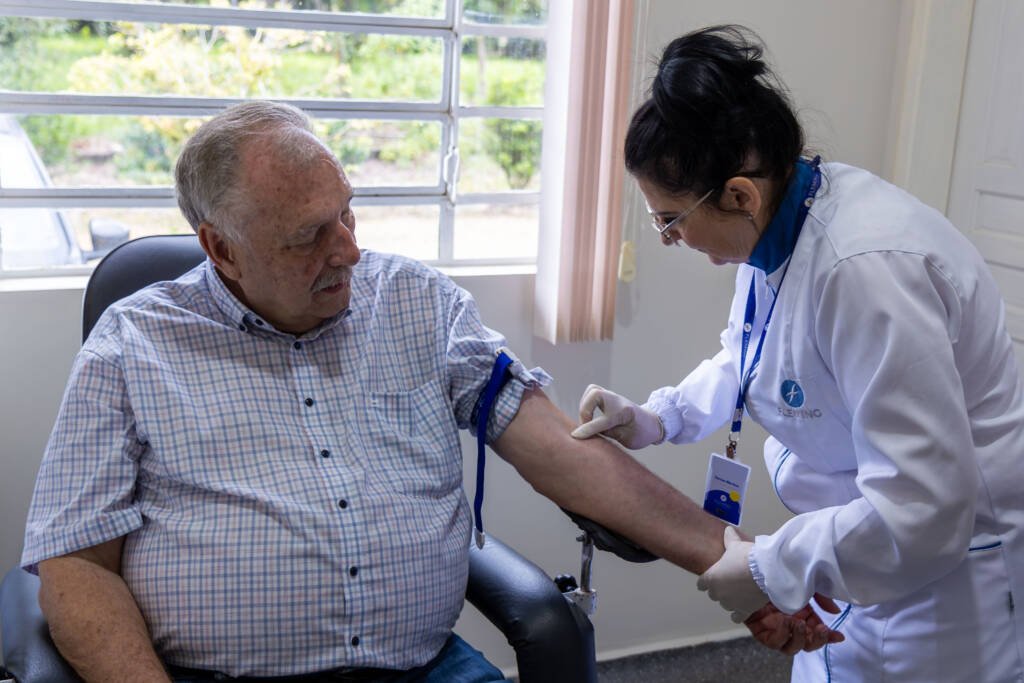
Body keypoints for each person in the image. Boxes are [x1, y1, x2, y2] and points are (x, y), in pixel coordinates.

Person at [20, 100, 834, 683]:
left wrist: (743, 563)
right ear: (221, 249)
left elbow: (557, 448)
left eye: (347, 213)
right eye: (309, 235)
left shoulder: (416, 303)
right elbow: (76, 562)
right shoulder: (134, 344)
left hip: (422, 664)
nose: (348, 250)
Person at [571, 24, 1024, 683]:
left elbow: (924, 510)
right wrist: (652, 418)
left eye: (669, 217)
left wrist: (771, 565)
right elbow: (746, 355)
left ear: (738, 194)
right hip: (852, 551)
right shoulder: (786, 223)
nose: (667, 236)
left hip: (944, 596)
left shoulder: (867, 269)